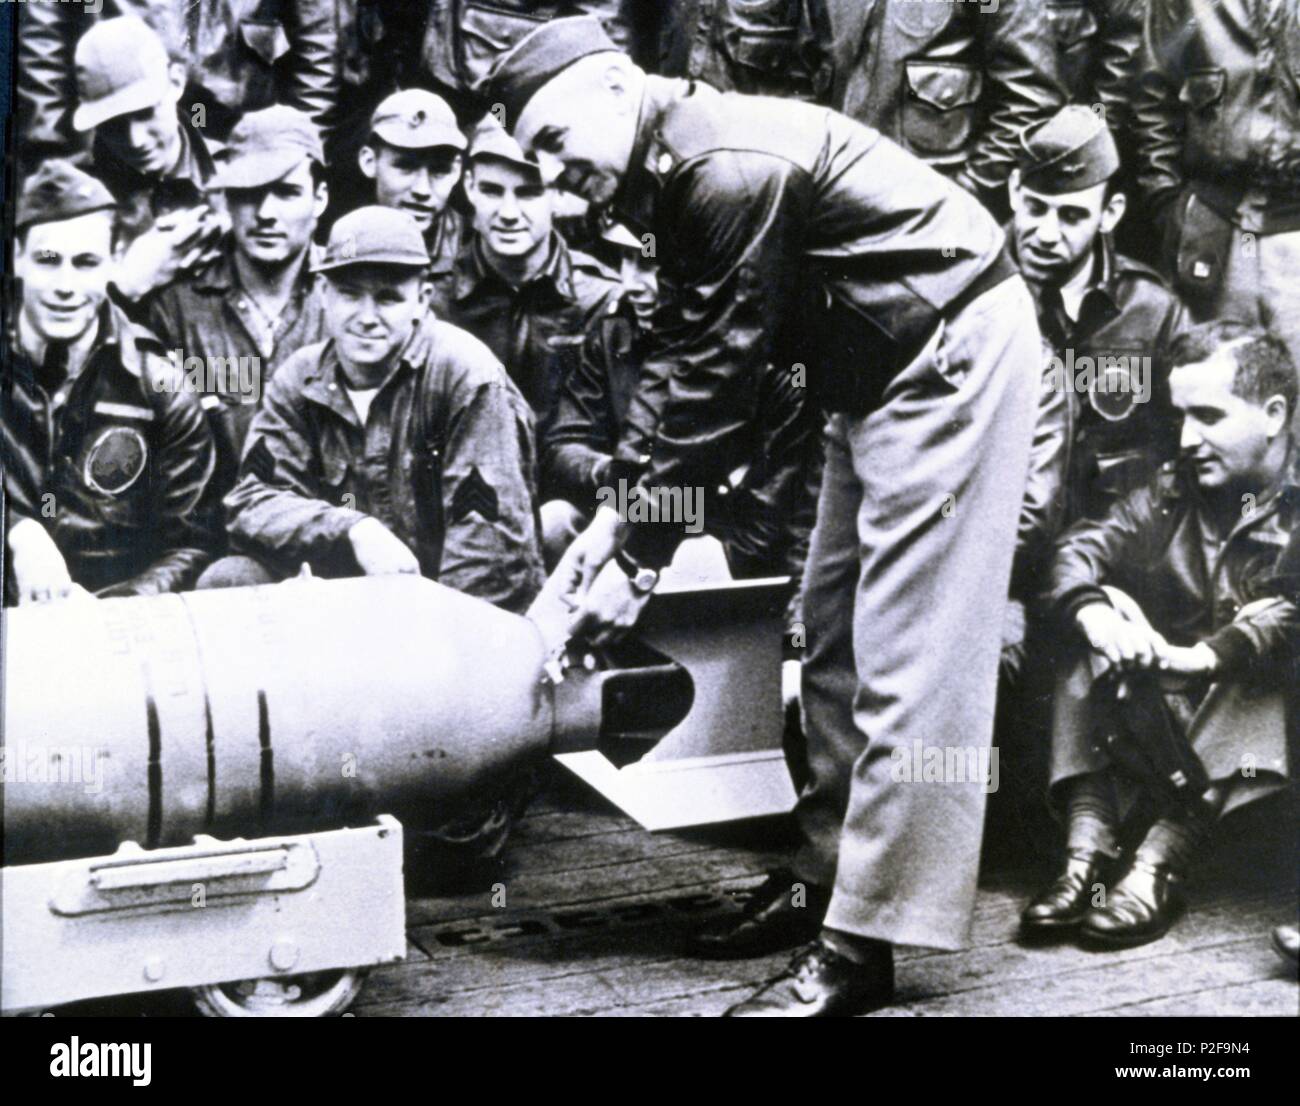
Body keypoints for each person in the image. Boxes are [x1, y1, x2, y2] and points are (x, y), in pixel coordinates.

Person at [487, 16, 1043, 1016]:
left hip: (945, 354)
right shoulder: (667, 168)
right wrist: (623, 527)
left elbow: (714, 384)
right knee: (828, 631)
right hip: (864, 366)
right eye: (531, 158)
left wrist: (637, 557)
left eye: (554, 146)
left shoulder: (723, 167)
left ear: (615, 89)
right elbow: (680, 370)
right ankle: (828, 870)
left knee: (907, 657)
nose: (551, 177)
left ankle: (862, 940)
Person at [1024, 322, 1297, 948]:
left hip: (1261, 756)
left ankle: (1157, 867)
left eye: (1208, 416)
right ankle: (1086, 853)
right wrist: (1097, 613)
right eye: (1180, 417)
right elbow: (1075, 552)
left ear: (1274, 414)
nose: (1186, 439)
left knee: (1262, 662)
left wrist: (1201, 656)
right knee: (1090, 618)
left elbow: (1289, 611)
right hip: (1169, 733)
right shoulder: (1172, 491)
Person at [207, 205, 545, 617]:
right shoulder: (300, 378)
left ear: (421, 301)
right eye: (350, 294)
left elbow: (489, 555)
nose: (367, 318)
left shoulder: (465, 376)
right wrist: (353, 529)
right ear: (323, 296)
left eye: (388, 298)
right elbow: (252, 501)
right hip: (345, 607)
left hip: (446, 612)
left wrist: (425, 640)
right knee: (230, 580)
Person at [542, 220, 819, 584]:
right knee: (555, 521)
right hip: (630, 515)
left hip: (721, 550)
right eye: (625, 260)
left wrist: (657, 500)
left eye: (649, 265)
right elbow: (563, 448)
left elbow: (767, 527)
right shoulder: (616, 333)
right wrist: (622, 481)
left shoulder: (772, 360)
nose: (631, 285)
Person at [2, 161, 220, 604]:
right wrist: (19, 532)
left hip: (113, 623)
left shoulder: (159, 387)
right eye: (48, 261)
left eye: (86, 263)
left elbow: (193, 545)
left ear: (114, 263)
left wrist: (112, 610)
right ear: (16, 259)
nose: (66, 285)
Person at [1008, 105, 1187, 525]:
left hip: (1109, 543)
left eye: (1072, 216)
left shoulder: (1152, 310)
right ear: (1014, 190)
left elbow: (1186, 440)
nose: (1047, 235)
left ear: (1111, 213)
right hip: (1002, 537)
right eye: (1036, 208)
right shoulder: (973, 296)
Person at [143, 106, 330, 500]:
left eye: (287, 193)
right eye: (248, 194)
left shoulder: (346, 300)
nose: (265, 214)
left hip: (327, 537)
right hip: (206, 539)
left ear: (320, 199)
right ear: (226, 200)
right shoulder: (176, 306)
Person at [1134, 0, 1300, 386]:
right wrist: (1170, 207)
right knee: (1215, 384)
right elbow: (1152, 99)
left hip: (1295, 229)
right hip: (1214, 225)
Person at [430, 124, 618, 432]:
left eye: (529, 193)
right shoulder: (434, 297)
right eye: (492, 190)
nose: (508, 213)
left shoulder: (599, 299)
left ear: (558, 195)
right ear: (469, 187)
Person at [16, 1, 337, 161]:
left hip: (237, 133)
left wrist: (301, 152)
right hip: (119, 130)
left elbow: (318, 46)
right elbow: (43, 37)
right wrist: (51, 150)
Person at [69, 16, 224, 301]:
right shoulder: (76, 203)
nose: (136, 141)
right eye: (114, 124)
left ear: (176, 82)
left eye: (145, 112)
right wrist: (124, 286)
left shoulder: (234, 176)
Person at [356, 89, 470, 275]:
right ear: (369, 162)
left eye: (439, 170)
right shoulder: (347, 240)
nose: (422, 190)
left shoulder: (475, 249)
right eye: (405, 166)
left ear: (456, 170)